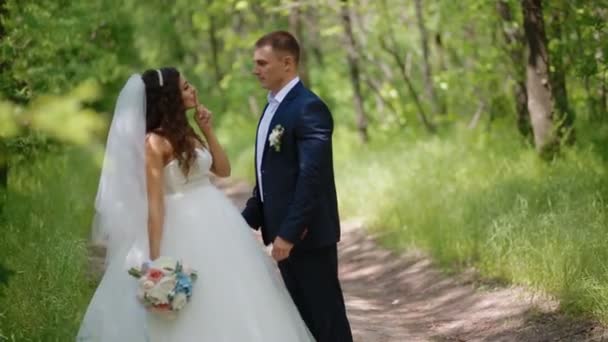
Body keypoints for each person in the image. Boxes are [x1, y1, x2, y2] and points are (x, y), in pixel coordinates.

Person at [77, 68, 314, 341]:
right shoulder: (154, 143)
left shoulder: (186, 132)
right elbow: (155, 205)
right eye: (186, 87)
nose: (194, 91)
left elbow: (223, 170)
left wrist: (207, 129)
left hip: (217, 220)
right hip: (180, 226)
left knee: (233, 293)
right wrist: (156, 263)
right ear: (169, 98)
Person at [242, 31, 353, 342]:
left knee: (326, 322)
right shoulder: (272, 108)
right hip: (282, 236)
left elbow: (310, 178)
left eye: (262, 63)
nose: (256, 70)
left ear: (287, 63)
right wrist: (242, 221)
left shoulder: (308, 108)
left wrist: (289, 233)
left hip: (307, 237)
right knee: (303, 325)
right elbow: (270, 176)